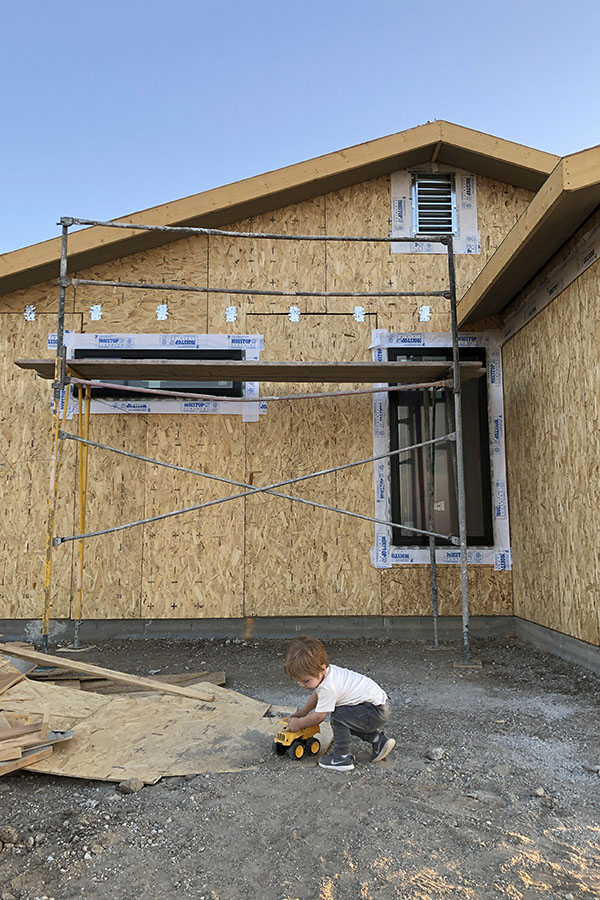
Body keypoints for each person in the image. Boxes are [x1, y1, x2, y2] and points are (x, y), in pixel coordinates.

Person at [284, 635, 395, 771]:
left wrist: (299, 723)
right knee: (347, 719)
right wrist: (303, 712)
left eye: (306, 681)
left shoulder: (328, 686)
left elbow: (319, 717)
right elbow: (317, 695)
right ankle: (378, 741)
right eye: (298, 681)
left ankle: (342, 758)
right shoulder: (327, 673)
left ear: (322, 669)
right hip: (379, 705)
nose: (302, 685)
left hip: (375, 709)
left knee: (339, 718)